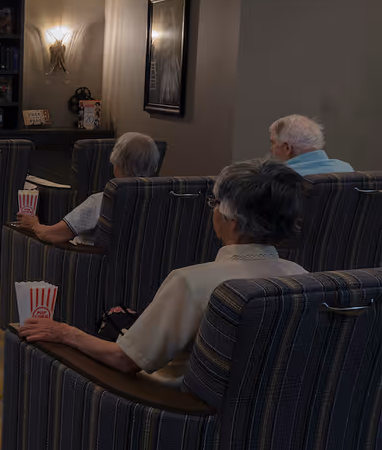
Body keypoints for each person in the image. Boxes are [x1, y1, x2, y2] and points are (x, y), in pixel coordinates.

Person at [19, 159, 307, 387]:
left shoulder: (192, 282)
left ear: (232, 221)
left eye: (215, 203)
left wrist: (65, 332)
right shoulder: (303, 278)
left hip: (170, 409)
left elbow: (126, 360)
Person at [16, 132, 159, 245]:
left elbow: (51, 235)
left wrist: (34, 224)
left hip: (88, 267)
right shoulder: (162, 201)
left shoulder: (102, 201)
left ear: (118, 162)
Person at [269, 114, 353, 175]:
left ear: (287, 148)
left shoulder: (277, 180)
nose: (271, 149)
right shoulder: (346, 169)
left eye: (273, 143)